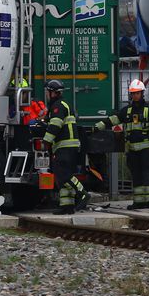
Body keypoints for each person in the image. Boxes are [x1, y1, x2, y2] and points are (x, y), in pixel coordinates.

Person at [94, 79, 149, 209]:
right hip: (133, 150)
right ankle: (138, 201)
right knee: (136, 175)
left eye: (137, 93)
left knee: (148, 175)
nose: (135, 96)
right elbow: (113, 119)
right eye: (133, 93)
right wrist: (98, 126)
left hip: (147, 149)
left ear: (142, 93)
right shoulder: (126, 111)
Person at [41, 79, 88, 215]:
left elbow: (56, 125)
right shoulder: (61, 105)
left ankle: (83, 193)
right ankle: (67, 206)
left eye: (48, 92)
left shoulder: (58, 106)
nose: (47, 94)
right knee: (62, 177)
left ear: (53, 93)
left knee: (64, 174)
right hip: (68, 146)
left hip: (65, 146)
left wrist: (46, 141)